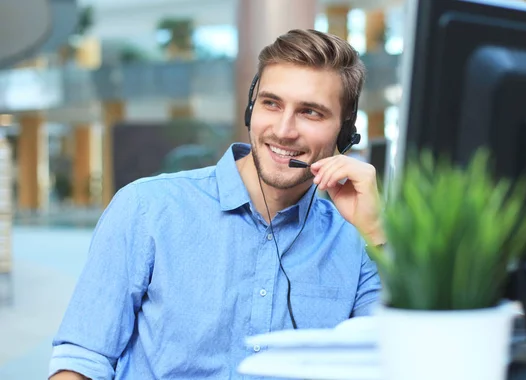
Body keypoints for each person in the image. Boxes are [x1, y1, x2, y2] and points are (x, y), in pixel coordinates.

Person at [48, 29, 385, 380]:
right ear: (251, 108)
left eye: (310, 112)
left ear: (345, 134)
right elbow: (82, 359)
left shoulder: (357, 241)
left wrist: (377, 230)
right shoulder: (146, 208)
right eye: (271, 103)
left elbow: (398, 358)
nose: (284, 130)